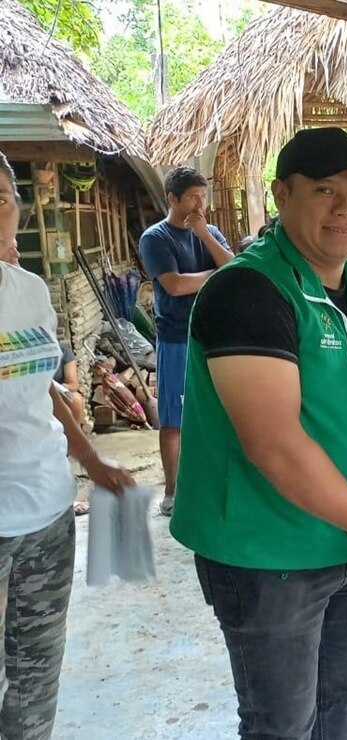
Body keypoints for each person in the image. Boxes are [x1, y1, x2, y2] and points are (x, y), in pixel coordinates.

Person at [170, 127, 347, 738]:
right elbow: (274, 444)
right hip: (270, 555)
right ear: (282, 194)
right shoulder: (249, 290)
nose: (346, 209)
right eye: (325, 190)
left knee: (340, 697)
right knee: (281, 723)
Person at [1, 149, 135, 740]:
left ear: (17, 211)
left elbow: (42, 384)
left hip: (47, 509)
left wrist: (89, 457)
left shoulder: (29, 291)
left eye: (0, 201)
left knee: (36, 673)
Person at [138, 166, 232, 516]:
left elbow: (234, 267)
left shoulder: (210, 232)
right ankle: (172, 491)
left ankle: (211, 485)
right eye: (193, 197)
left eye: (203, 197)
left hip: (213, 335)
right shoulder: (155, 238)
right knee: (174, 419)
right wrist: (215, 275)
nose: (200, 204)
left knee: (217, 414)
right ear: (172, 199)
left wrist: (204, 235)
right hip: (177, 336)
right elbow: (175, 285)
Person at [52, 342, 86, 426]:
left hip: (57, 392)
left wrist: (61, 387)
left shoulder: (64, 352)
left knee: (75, 399)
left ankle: (76, 429)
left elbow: (73, 384)